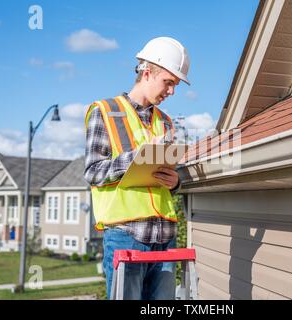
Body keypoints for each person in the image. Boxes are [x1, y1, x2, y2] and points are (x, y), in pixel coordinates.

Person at [84, 37, 190, 300]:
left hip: (165, 236)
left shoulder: (165, 122)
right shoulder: (105, 112)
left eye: (175, 85)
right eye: (168, 82)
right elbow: (93, 172)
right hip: (126, 235)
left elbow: (167, 181)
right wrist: (137, 157)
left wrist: (175, 181)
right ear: (146, 73)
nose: (171, 91)